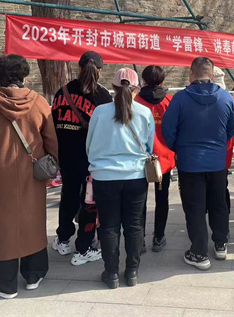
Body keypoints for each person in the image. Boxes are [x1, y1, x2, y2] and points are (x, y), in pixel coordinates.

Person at [0, 55, 58, 299]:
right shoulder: (38, 102)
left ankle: (6, 285)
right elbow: (51, 140)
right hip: (32, 176)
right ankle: (34, 274)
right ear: (24, 75)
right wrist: (52, 169)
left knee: (2, 228)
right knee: (32, 222)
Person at [162, 57, 234, 271]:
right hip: (217, 162)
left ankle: (199, 252)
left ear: (190, 74)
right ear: (212, 75)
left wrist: (180, 148)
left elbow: (168, 130)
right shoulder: (226, 98)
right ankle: (221, 244)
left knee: (194, 208)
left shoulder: (179, 99)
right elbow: (232, 128)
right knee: (219, 204)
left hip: (189, 163)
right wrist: (218, 145)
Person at [86, 68, 154, 289]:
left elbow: (89, 144)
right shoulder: (144, 112)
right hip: (135, 176)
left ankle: (112, 273)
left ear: (113, 88)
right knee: (134, 225)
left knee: (108, 226)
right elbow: (149, 146)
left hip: (104, 176)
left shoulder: (99, 112)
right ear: (137, 89)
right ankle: (132, 271)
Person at [51, 51, 112, 266]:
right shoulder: (102, 96)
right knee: (89, 201)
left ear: (79, 67)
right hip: (91, 158)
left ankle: (63, 239)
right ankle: (84, 246)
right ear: (100, 71)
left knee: (68, 196)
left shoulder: (62, 92)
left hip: (66, 156)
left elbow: (53, 125)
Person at [135, 65, 175, 253]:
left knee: (139, 201)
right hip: (164, 159)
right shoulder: (169, 101)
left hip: (139, 159)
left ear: (143, 80)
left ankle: (140, 241)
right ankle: (159, 238)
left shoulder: (135, 101)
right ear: (162, 81)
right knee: (162, 198)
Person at [211, 67, 234, 212]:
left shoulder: (204, 100)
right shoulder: (231, 100)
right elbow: (233, 127)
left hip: (209, 153)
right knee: (222, 184)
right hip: (225, 150)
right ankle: (223, 213)